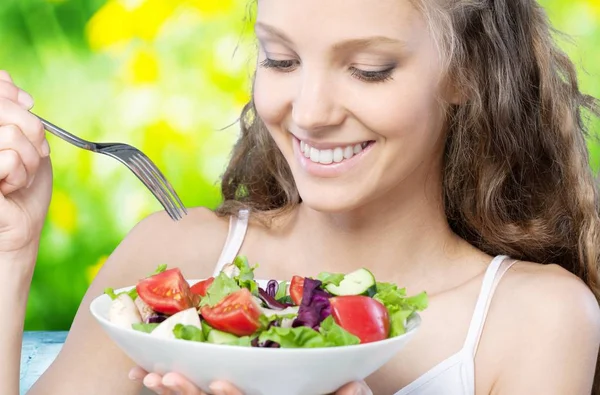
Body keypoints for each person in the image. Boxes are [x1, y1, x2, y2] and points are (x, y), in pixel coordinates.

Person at [2, 0, 600, 394]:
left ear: (465, 71)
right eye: (280, 60)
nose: (310, 113)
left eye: (368, 69)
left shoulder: (533, 320)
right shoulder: (173, 258)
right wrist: (11, 249)